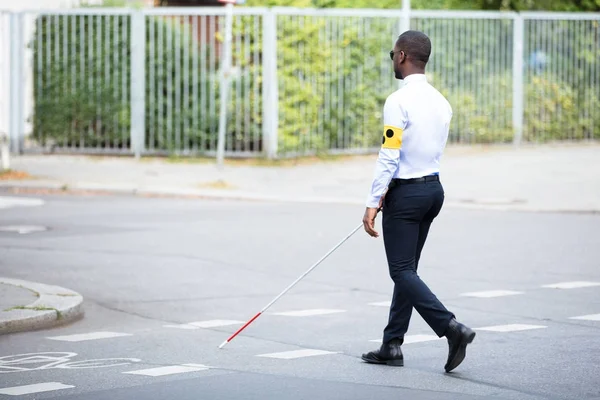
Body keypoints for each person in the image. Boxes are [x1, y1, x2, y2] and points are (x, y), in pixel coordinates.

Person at [360, 30, 475, 373]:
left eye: (392, 53)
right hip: (433, 191)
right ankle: (391, 344)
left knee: (401, 270)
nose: (391, 59)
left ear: (402, 56)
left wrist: (373, 199)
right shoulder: (441, 101)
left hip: (407, 194)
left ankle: (451, 328)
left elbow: (389, 154)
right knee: (407, 271)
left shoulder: (398, 101)